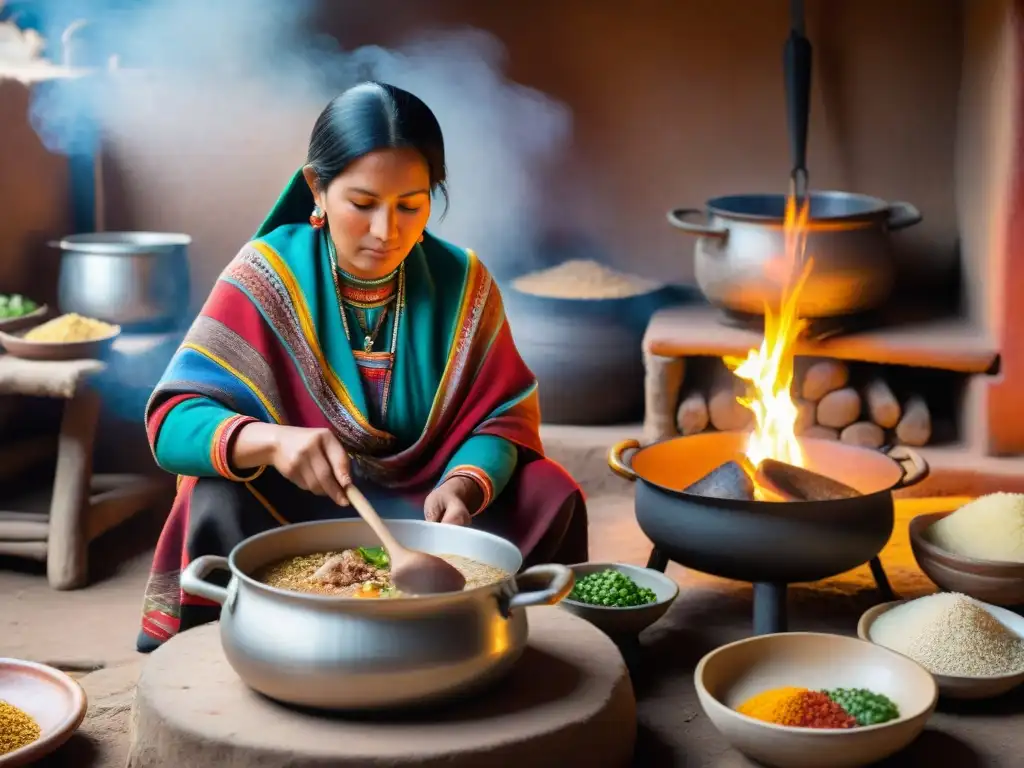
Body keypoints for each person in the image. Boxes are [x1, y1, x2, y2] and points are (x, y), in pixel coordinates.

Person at [137, 82, 589, 652]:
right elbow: (171, 423)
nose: (387, 231)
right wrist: (271, 442)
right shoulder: (266, 274)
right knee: (213, 495)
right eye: (362, 203)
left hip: (429, 511)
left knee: (549, 489)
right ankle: (226, 649)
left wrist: (464, 485)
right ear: (316, 190)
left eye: (411, 205)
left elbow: (501, 419)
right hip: (295, 507)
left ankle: (507, 640)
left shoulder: (463, 281)